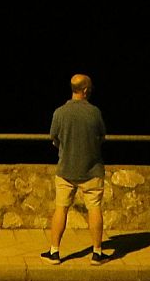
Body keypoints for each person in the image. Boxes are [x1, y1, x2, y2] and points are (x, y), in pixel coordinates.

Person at [44, 73, 109, 265]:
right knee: (94, 208)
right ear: (86, 90)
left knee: (60, 209)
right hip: (92, 170)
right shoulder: (94, 112)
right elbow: (102, 136)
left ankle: (54, 251)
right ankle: (97, 253)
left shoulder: (60, 112)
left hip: (66, 169)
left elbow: (54, 138)